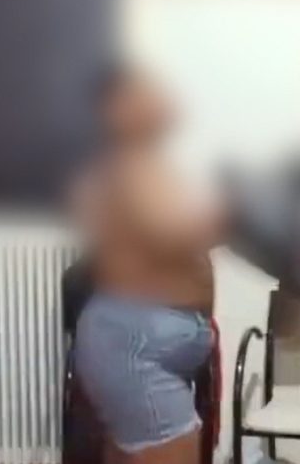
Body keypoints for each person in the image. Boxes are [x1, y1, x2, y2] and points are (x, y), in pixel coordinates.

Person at [69, 66, 225, 464]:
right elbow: (176, 232)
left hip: (139, 346)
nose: (162, 95)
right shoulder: (125, 165)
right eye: (146, 91)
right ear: (117, 110)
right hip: (136, 351)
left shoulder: (149, 164)